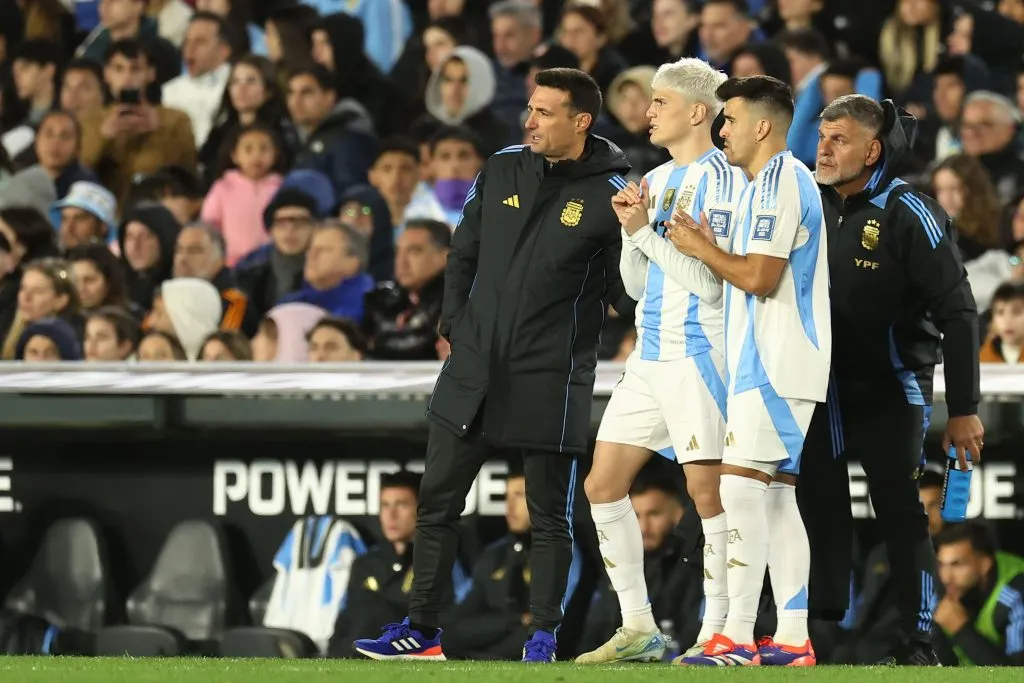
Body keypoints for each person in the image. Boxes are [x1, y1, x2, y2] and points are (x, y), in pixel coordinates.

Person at [352, 67, 633, 663]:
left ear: (581, 121)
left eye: (544, 112)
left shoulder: (616, 192)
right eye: (529, 109)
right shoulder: (502, 165)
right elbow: (464, 252)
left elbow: (623, 294)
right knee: (437, 501)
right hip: (474, 365)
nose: (528, 121)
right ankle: (422, 630)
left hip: (549, 372)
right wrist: (454, 324)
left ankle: (544, 635)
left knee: (549, 516)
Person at [799, 94, 984, 666]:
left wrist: (963, 408)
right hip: (818, 388)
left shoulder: (912, 212)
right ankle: (804, 636)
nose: (822, 149)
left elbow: (959, 313)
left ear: (872, 149)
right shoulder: (805, 200)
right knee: (808, 505)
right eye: (821, 136)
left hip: (891, 385)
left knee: (900, 511)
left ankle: (917, 644)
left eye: (838, 140)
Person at [575, 57, 746, 664]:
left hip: (699, 354)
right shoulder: (659, 176)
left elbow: (710, 283)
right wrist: (630, 234)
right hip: (649, 356)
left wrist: (646, 232)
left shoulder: (723, 179)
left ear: (697, 112)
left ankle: (720, 632)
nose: (648, 112)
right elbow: (639, 286)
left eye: (660, 102)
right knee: (602, 485)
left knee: (709, 497)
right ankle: (639, 627)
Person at [670, 75, 830, 666]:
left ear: (763, 126)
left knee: (739, 491)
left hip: (776, 362)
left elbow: (761, 278)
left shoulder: (783, 180)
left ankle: (735, 635)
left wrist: (702, 250)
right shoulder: (757, 186)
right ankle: (792, 638)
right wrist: (707, 246)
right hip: (761, 362)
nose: (722, 130)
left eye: (730, 119)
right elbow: (740, 271)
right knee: (774, 501)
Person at [931, 522, 1024, 666]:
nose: (946, 577)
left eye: (957, 565)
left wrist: (961, 630)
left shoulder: (1016, 595)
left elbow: (1017, 676)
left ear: (984, 564)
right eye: (942, 565)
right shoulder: (941, 585)